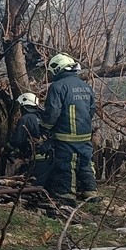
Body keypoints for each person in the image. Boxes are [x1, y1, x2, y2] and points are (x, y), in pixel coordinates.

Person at [41, 53, 98, 201]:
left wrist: (44, 127)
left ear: (57, 69)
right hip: (85, 134)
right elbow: (92, 109)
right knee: (85, 162)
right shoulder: (86, 87)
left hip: (65, 135)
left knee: (66, 165)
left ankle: (67, 194)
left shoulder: (57, 87)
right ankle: (90, 191)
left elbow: (52, 112)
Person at [3, 92, 50, 182]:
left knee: (31, 185)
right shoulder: (43, 117)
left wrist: (6, 149)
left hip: (35, 160)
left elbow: (17, 140)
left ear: (23, 106)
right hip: (49, 158)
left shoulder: (26, 119)